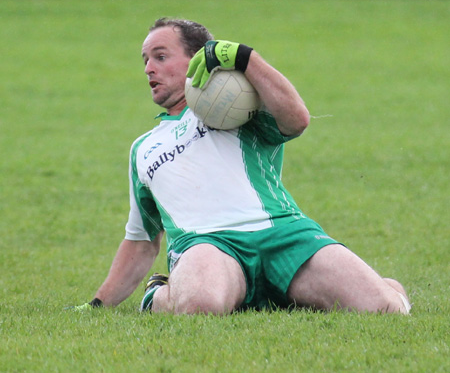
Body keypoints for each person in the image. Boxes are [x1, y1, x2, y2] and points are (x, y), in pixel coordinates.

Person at [75, 17, 411, 315]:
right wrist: (97, 305)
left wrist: (245, 58)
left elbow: (297, 120)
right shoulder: (143, 148)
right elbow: (141, 241)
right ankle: (158, 296)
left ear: (197, 58)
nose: (149, 68)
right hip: (207, 244)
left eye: (161, 57)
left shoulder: (239, 103)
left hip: (283, 233)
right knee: (199, 307)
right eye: (146, 60)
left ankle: (381, 287)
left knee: (385, 309)